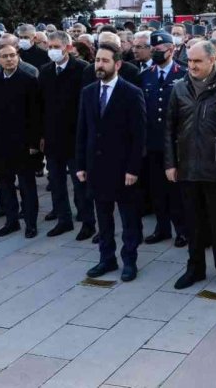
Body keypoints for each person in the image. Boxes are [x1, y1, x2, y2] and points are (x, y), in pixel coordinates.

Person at [166, 41, 216, 293]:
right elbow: (169, 129)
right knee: (194, 224)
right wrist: (170, 163)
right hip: (188, 169)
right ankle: (195, 268)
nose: (192, 66)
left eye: (197, 61)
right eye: (189, 61)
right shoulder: (179, 89)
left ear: (212, 60)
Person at [76, 42, 147, 281]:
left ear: (117, 64)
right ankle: (106, 259)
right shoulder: (88, 92)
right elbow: (82, 131)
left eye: (105, 61)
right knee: (103, 218)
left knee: (128, 219)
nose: (99, 64)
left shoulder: (131, 93)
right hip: (96, 168)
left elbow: (139, 136)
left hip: (123, 169)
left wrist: (133, 168)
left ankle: (130, 260)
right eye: (97, 60)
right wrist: (81, 166)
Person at [40, 31, 94, 239]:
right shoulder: (45, 71)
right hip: (53, 136)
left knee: (80, 182)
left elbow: (87, 105)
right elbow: (41, 105)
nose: (52, 51)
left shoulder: (82, 70)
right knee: (56, 181)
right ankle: (64, 220)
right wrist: (42, 135)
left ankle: (88, 221)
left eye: (56, 47)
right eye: (50, 47)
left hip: (75, 137)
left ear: (68, 48)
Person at [0, 43, 42, 238]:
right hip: (0, 143)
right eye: (5, 56)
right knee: (4, 184)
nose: (9, 59)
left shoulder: (28, 81)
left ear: (18, 57)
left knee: (27, 186)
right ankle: (11, 221)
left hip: (23, 144)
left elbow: (36, 115)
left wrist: (34, 144)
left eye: (12, 55)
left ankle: (30, 223)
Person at [140, 31, 188, 247]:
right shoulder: (146, 75)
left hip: (176, 143)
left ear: (171, 49)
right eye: (154, 49)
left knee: (176, 189)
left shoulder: (183, 74)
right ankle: (162, 228)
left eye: (160, 50)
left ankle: (182, 229)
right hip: (153, 142)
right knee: (157, 188)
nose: (156, 52)